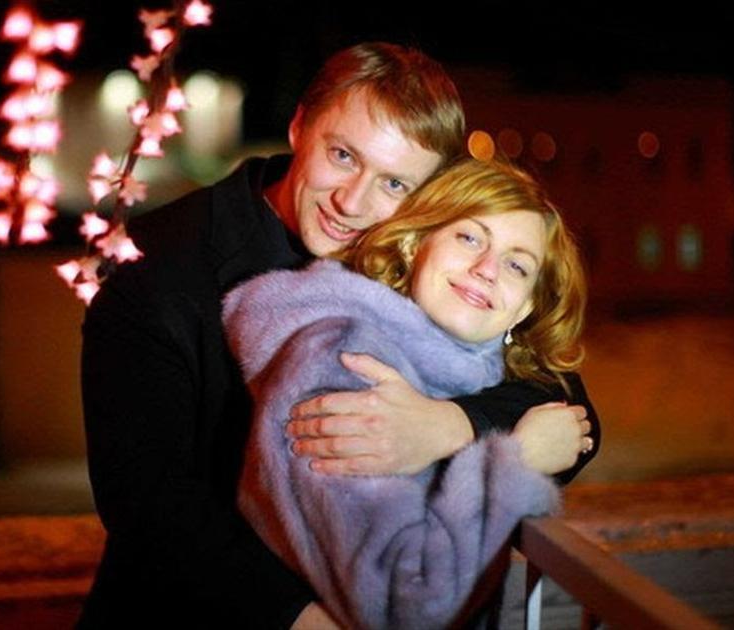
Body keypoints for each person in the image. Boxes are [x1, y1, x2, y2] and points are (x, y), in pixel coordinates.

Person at [79, 42, 599, 628]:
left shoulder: (410, 252)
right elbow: (146, 501)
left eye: (394, 184)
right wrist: (300, 618)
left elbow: (564, 403)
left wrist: (448, 426)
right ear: (300, 125)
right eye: (343, 154)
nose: (352, 203)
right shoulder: (153, 266)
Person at [225, 157, 589, 629]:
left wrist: (458, 429)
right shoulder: (346, 361)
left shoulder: (472, 376)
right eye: (469, 238)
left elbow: (569, 397)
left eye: (517, 265)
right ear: (416, 243)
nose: (486, 269)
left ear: (524, 308)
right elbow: (407, 603)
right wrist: (515, 461)